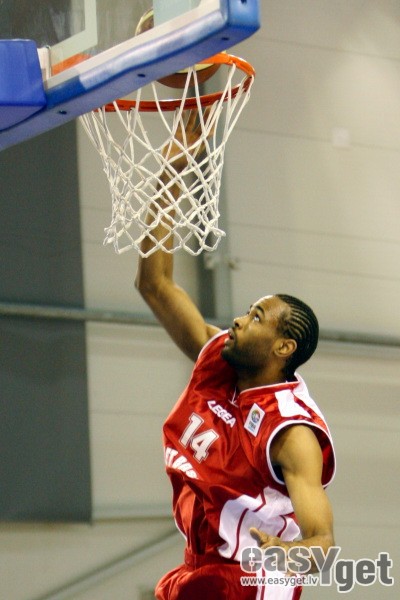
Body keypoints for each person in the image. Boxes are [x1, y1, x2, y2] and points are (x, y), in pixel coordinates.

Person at [135, 111, 335, 599]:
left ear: (283, 347)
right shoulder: (219, 359)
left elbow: (323, 543)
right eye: (247, 311)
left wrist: (290, 553)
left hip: (249, 580)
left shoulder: (292, 432)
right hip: (198, 567)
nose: (240, 320)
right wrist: (172, 170)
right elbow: (154, 283)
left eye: (256, 317)